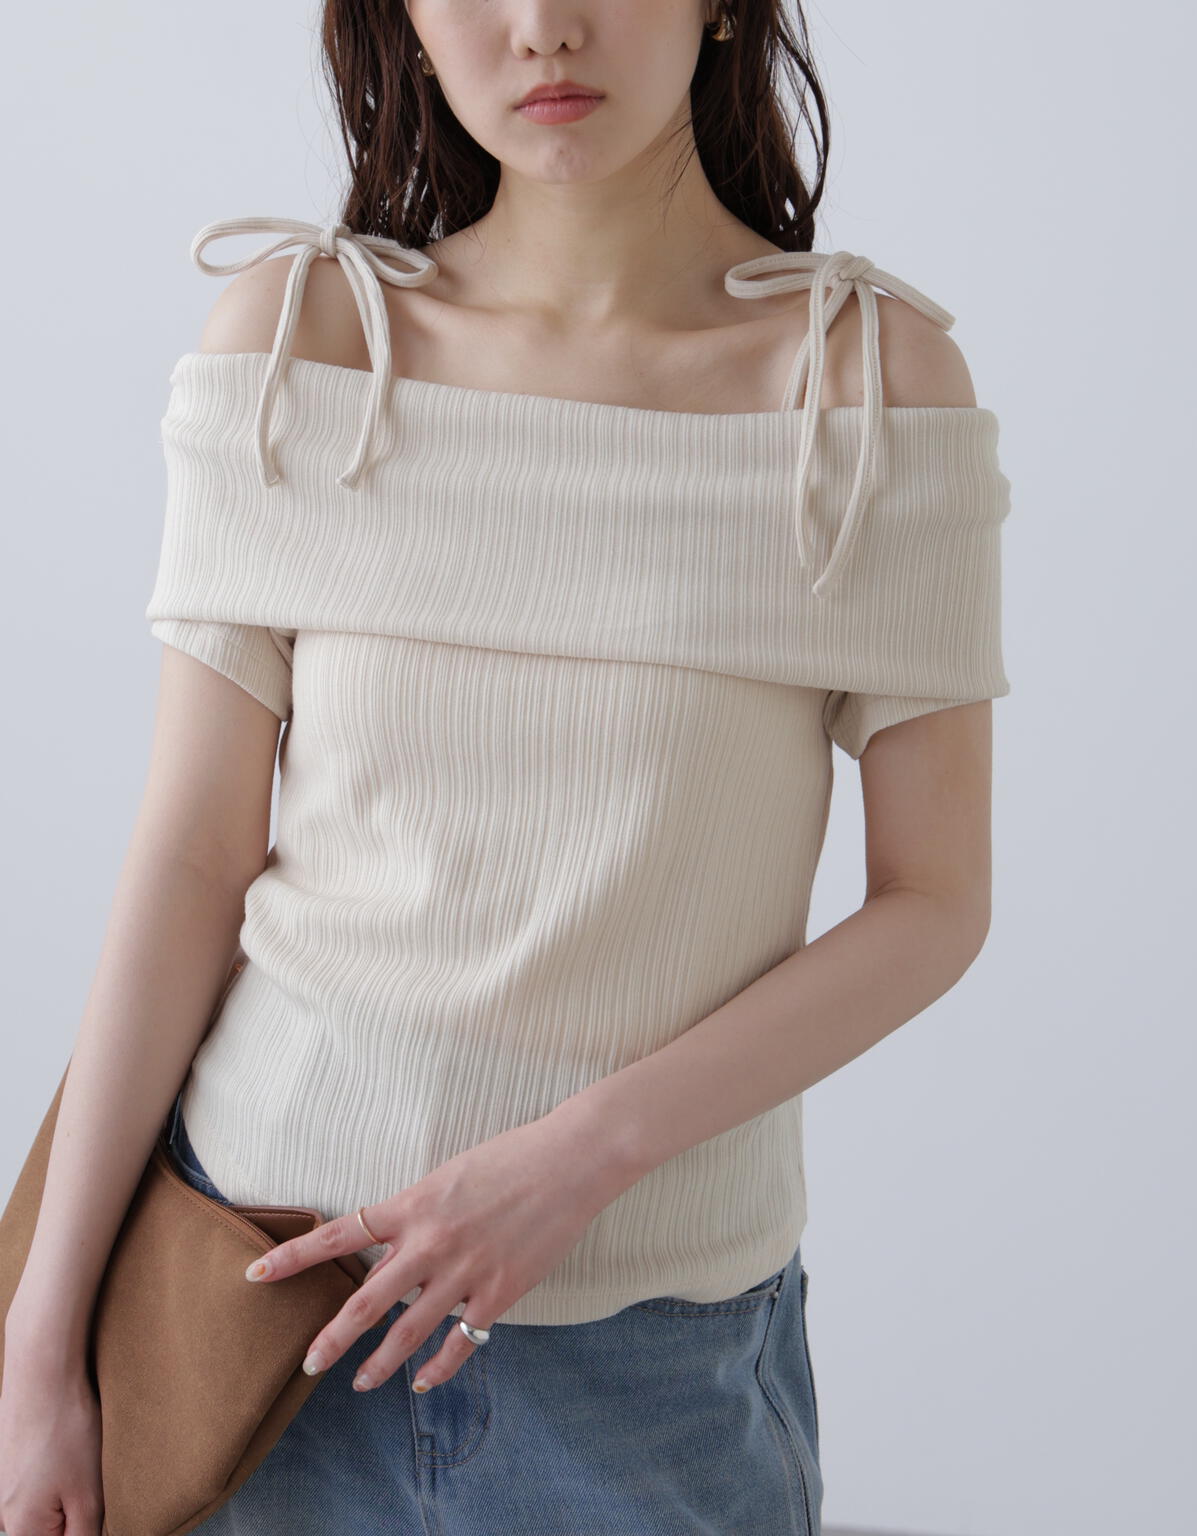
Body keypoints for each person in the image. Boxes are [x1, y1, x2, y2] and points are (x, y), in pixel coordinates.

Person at [0, 1, 1012, 1532]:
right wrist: (38, 1341)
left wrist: (577, 1160)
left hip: (644, 1372)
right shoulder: (303, 337)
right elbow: (192, 856)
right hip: (251, 1320)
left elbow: (934, 902)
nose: (543, 28)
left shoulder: (864, 387)